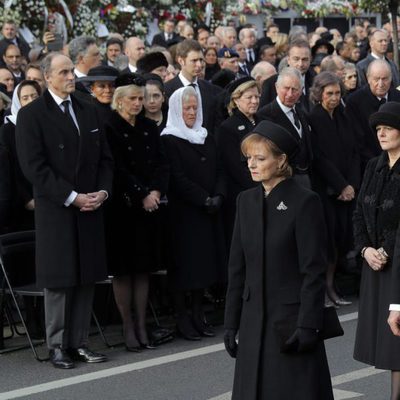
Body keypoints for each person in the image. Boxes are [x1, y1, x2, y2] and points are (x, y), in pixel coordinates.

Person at [15, 53, 113, 369]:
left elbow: (105, 159)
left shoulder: (87, 109)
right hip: (58, 209)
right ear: (47, 77)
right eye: (64, 72)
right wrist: (72, 196)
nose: (72, 76)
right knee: (59, 279)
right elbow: (34, 167)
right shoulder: (32, 115)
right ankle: (57, 345)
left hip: (90, 206)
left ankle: (79, 342)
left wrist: (102, 191)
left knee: (86, 277)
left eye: (72, 70)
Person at [224, 120, 333, 400]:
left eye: (260, 158)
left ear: (281, 160)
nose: (251, 164)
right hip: (252, 323)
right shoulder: (245, 201)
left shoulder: (304, 202)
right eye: (249, 157)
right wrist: (231, 323)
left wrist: (308, 324)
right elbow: (237, 268)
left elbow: (313, 270)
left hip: (289, 323)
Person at [104, 73, 169, 351]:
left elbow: (161, 163)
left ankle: (142, 324)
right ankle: (128, 326)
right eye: (132, 98)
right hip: (123, 206)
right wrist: (141, 193)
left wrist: (155, 191)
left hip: (148, 206)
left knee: (143, 268)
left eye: (140, 98)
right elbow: (116, 168)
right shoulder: (110, 127)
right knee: (124, 270)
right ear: (119, 101)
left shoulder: (147, 126)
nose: (138, 103)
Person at [161, 86, 226, 341]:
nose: (191, 112)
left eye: (194, 108)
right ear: (177, 110)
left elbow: (220, 169)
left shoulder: (205, 136)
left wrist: (219, 195)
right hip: (185, 214)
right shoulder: (169, 138)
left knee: (204, 267)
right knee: (185, 268)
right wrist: (203, 198)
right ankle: (183, 317)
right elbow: (177, 177)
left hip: (209, 209)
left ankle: (199, 313)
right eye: (186, 108)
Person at [353, 101, 400, 400]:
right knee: (389, 346)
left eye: (388, 128)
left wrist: (385, 250)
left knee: (397, 343)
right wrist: (365, 249)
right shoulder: (374, 165)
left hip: (397, 263)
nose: (381, 134)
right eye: (378, 130)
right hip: (376, 264)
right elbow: (359, 211)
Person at [308, 72, 360, 306]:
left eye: (338, 93)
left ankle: (334, 284)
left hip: (346, 190)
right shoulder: (314, 118)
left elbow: (353, 151)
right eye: (329, 93)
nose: (334, 97)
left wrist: (351, 184)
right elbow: (319, 158)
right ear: (319, 95)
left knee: (340, 239)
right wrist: (340, 185)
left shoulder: (343, 115)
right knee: (327, 241)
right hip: (327, 191)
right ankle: (326, 288)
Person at [217, 77, 259, 247]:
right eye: (249, 97)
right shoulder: (228, 127)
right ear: (236, 99)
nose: (255, 101)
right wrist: (259, 188)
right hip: (243, 193)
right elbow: (234, 166)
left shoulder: (262, 120)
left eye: (257, 96)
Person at [0, 80, 41, 231]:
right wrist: (26, 198)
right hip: (23, 201)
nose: (31, 101)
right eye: (25, 98)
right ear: (18, 101)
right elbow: (10, 168)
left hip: (48, 196)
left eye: (34, 96)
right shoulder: (8, 129)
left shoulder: (48, 124)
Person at [345, 59, 400, 171]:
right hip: (368, 165)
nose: (381, 84)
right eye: (376, 79)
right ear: (368, 78)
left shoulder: (398, 97)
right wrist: (380, 163)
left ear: (391, 78)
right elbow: (357, 140)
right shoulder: (354, 102)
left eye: (385, 79)